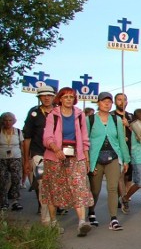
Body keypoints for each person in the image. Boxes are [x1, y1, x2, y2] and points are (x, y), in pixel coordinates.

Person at [41, 87, 94, 235]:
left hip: (76, 156)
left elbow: (84, 137)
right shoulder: (53, 115)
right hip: (54, 158)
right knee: (53, 190)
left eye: (71, 97)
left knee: (79, 187)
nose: (69, 99)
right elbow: (47, 137)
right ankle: (53, 222)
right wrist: (56, 149)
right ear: (60, 99)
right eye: (66, 97)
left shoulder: (79, 115)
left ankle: (82, 222)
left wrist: (86, 158)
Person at [87, 92, 131, 231]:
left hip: (113, 156)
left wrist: (125, 159)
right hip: (96, 157)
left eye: (109, 101)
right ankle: (91, 212)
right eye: (104, 101)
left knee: (113, 188)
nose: (107, 104)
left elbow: (121, 141)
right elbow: (85, 141)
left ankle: (113, 219)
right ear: (98, 103)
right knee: (95, 189)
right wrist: (88, 162)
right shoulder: (90, 120)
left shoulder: (116, 120)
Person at [22, 85, 57, 223]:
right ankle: (46, 220)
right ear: (39, 97)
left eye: (49, 95)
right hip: (39, 154)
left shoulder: (59, 112)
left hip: (56, 154)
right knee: (43, 185)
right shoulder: (34, 113)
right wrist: (26, 160)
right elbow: (27, 138)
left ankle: (53, 213)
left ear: (54, 96)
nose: (47, 98)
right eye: (43, 95)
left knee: (54, 186)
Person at [0, 112, 25, 211]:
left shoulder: (18, 132)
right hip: (2, 158)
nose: (8, 122)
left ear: (13, 121)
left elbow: (22, 146)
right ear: (2, 121)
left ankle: (15, 201)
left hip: (15, 158)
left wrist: (24, 160)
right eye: (5, 120)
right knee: (2, 180)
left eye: (10, 120)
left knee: (16, 179)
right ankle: (3, 202)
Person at [113, 93, 133, 213]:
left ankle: (124, 196)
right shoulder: (111, 116)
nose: (122, 102)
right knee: (118, 175)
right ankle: (119, 198)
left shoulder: (130, 116)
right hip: (117, 149)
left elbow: (138, 131)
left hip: (130, 149)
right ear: (115, 102)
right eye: (119, 100)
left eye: (124, 100)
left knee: (128, 176)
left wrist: (128, 125)